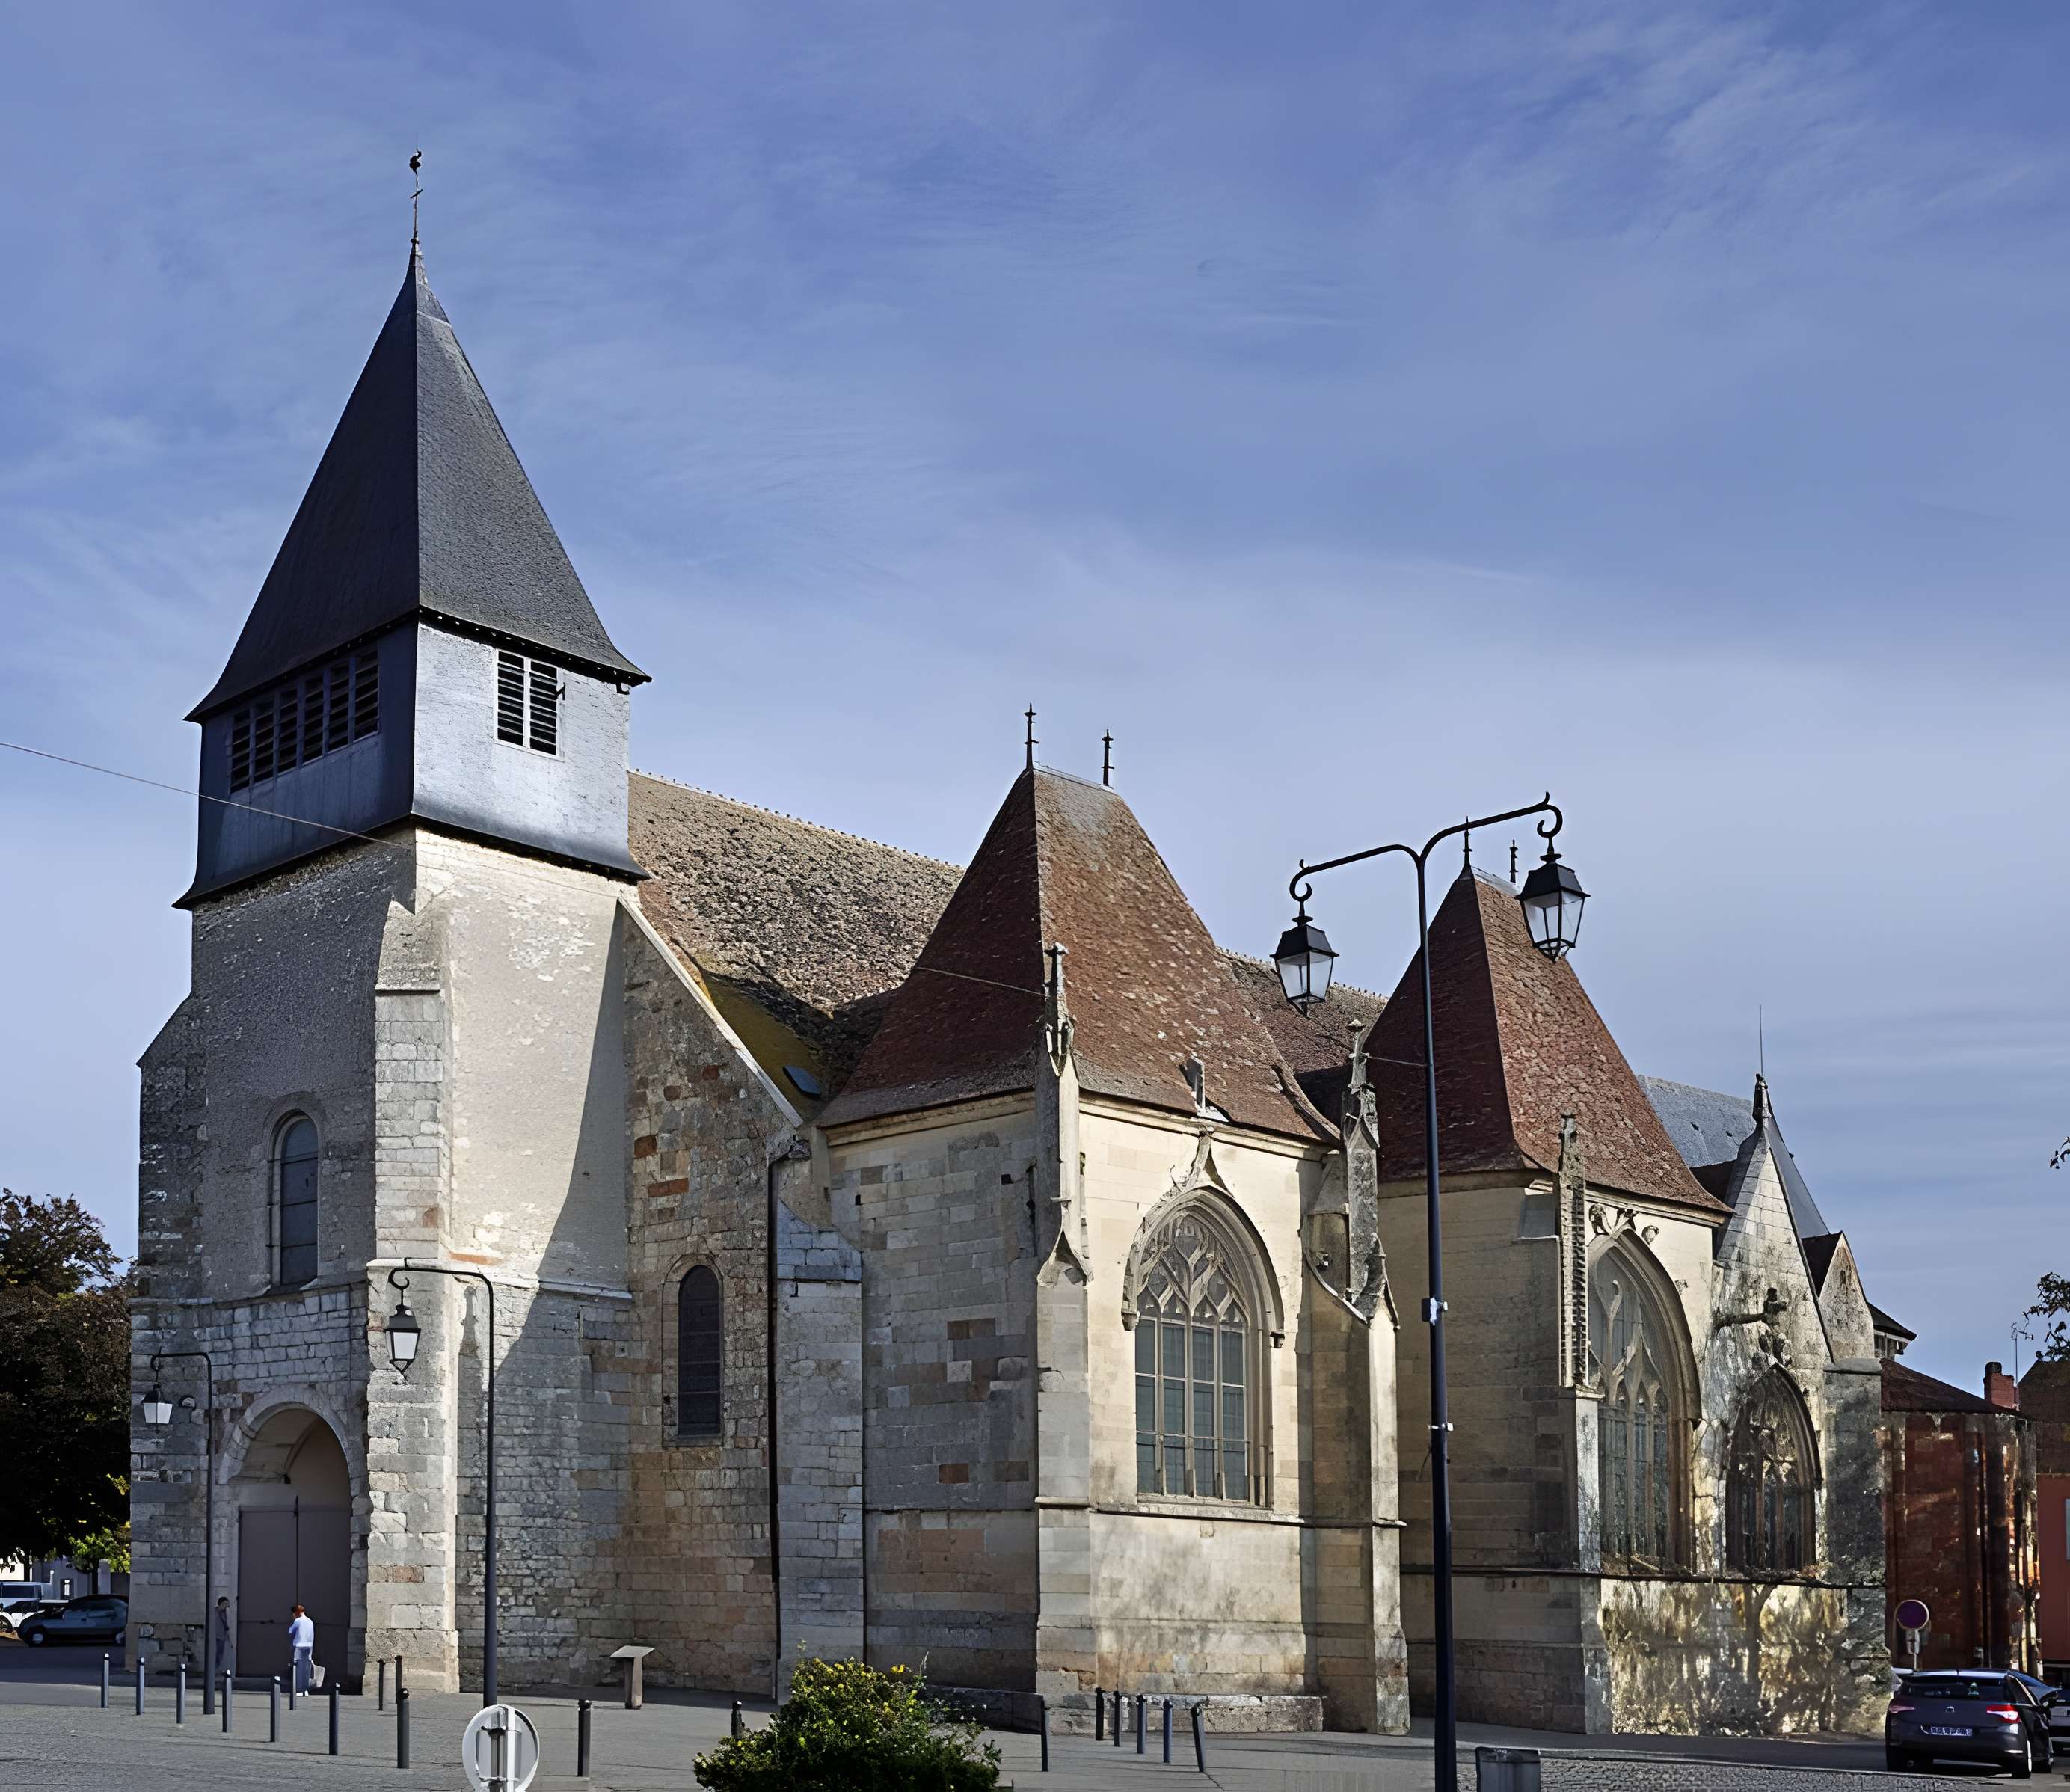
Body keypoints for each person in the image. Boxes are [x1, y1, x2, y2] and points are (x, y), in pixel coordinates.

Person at [287, 1604, 314, 1694]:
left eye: (294, 1613)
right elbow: (312, 1636)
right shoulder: (310, 1621)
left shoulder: (298, 1621)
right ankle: (305, 1690)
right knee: (306, 1668)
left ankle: (298, 1690)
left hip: (298, 1646)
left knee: (297, 1668)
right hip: (309, 1646)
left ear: (297, 1612)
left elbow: (290, 1631)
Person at [212, 1595, 234, 1687]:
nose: (227, 1606)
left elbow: (226, 1626)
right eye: (226, 1604)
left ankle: (215, 1670)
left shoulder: (224, 1613)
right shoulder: (216, 1612)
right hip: (217, 1637)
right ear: (221, 1603)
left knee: (220, 1655)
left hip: (221, 1637)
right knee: (217, 1655)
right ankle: (213, 1671)